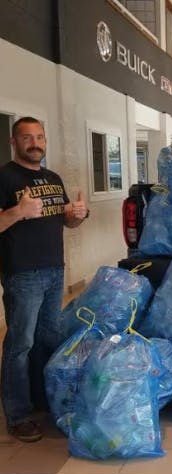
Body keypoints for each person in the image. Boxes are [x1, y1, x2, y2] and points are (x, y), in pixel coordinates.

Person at [0, 116, 89, 442]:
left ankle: (41, 399)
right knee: (19, 346)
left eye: (39, 137)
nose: (34, 142)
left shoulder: (52, 177)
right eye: (27, 137)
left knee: (47, 340)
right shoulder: (5, 176)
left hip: (54, 270)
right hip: (22, 273)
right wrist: (17, 212)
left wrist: (75, 216)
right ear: (14, 142)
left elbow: (66, 223)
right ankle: (18, 414)